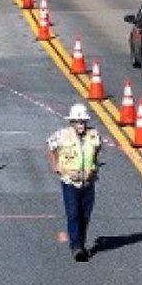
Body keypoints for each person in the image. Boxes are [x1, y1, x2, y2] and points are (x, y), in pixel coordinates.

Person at [47, 104, 102, 261]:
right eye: (78, 121)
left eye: (83, 121)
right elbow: (50, 146)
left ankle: (81, 244)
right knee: (73, 214)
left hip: (88, 182)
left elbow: (97, 150)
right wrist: (55, 164)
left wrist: (93, 166)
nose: (81, 125)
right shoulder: (62, 135)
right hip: (70, 182)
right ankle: (76, 247)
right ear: (72, 122)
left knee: (85, 216)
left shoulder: (94, 135)